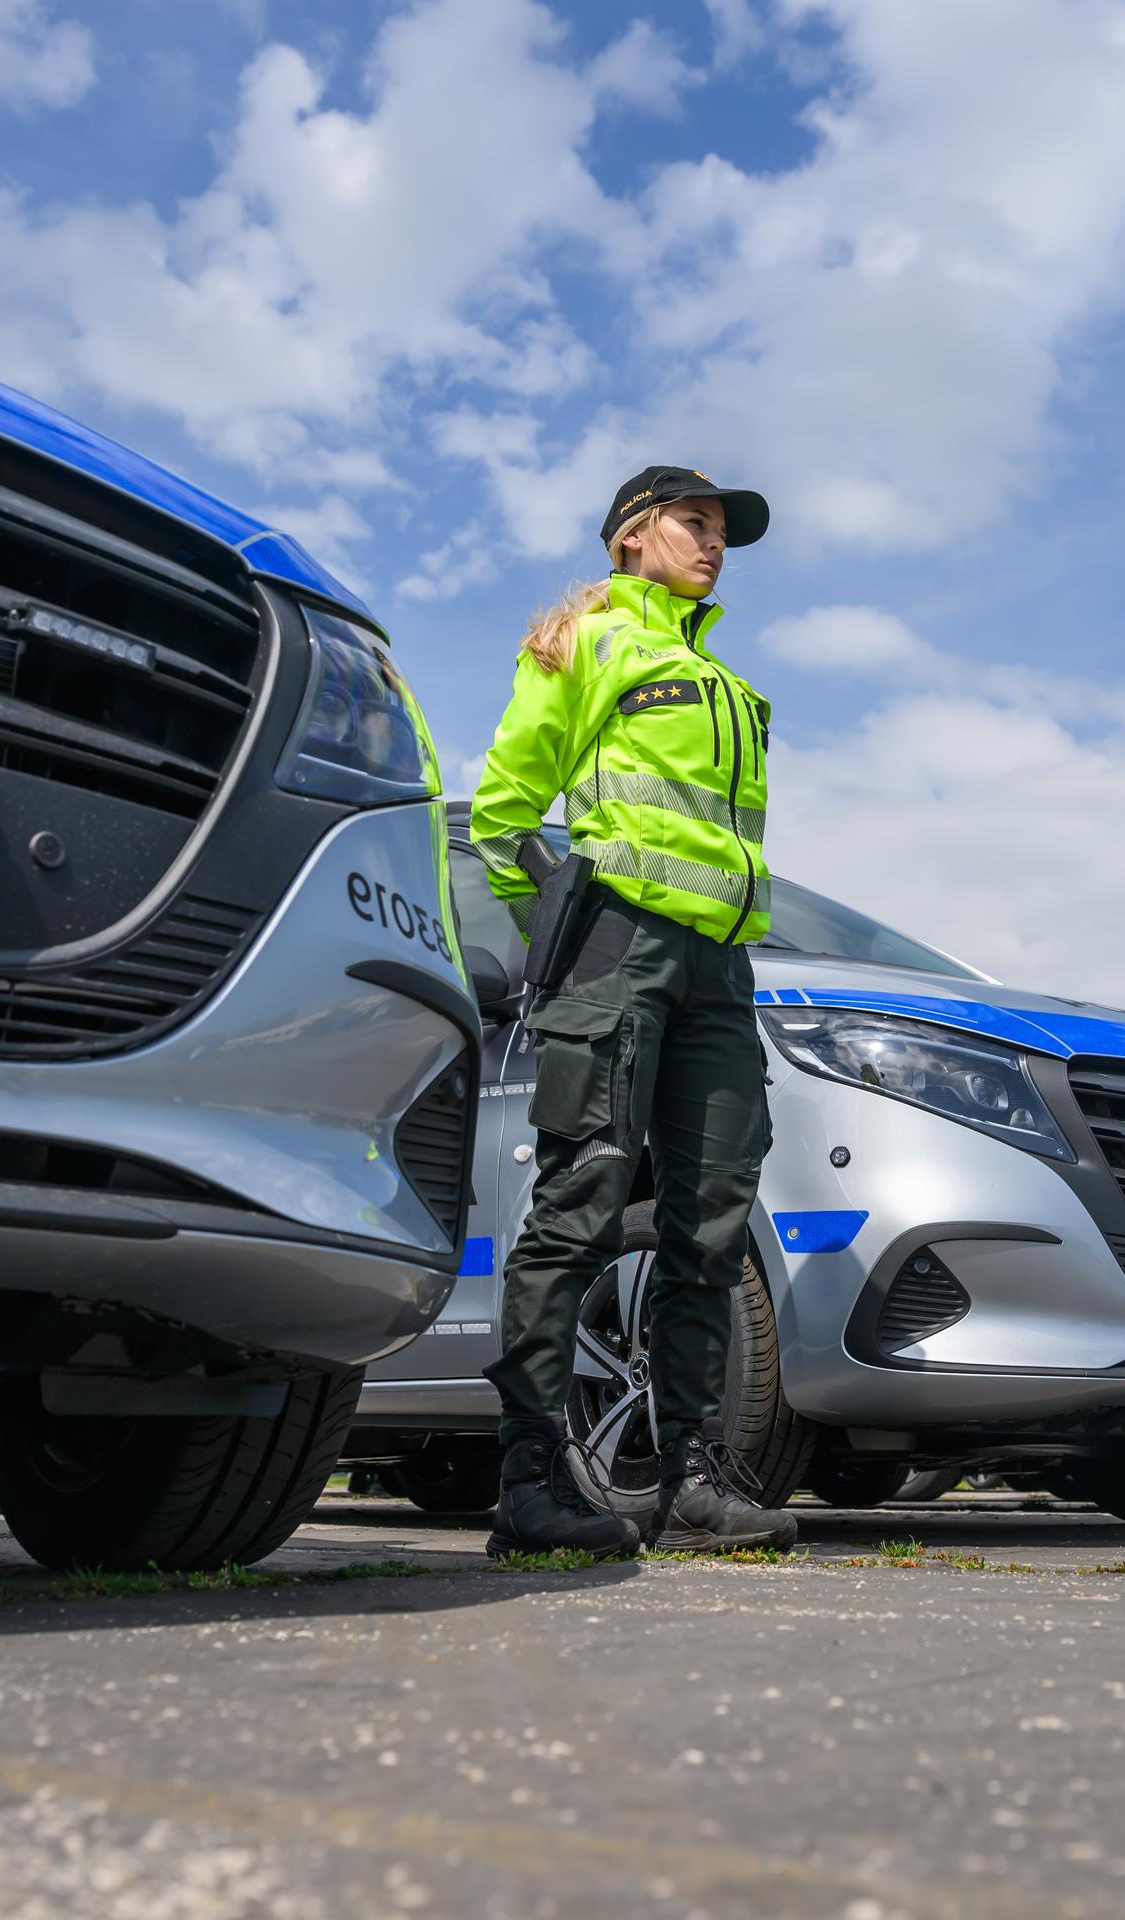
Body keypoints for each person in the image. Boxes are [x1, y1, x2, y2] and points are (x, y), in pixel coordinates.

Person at [468, 464, 795, 1560]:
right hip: (617, 948)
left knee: (708, 1223)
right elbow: (506, 811)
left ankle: (695, 1480)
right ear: (629, 538)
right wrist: (549, 941)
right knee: (582, 1199)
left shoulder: (721, 680)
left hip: (719, 971)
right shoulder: (586, 641)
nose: (713, 545)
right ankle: (528, 1475)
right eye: (693, 525)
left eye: (721, 531)